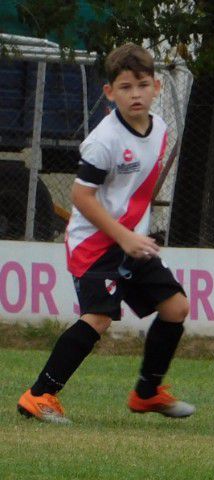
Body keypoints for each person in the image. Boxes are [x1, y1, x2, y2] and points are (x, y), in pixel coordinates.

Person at [16, 43, 194, 425]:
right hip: (96, 244)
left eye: (142, 85)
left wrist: (134, 235)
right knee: (98, 317)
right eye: (126, 87)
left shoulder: (160, 129)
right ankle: (39, 394)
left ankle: (147, 393)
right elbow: (81, 196)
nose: (135, 94)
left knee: (176, 307)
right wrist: (124, 236)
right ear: (109, 93)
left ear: (157, 87)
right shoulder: (103, 140)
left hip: (131, 242)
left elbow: (133, 190)